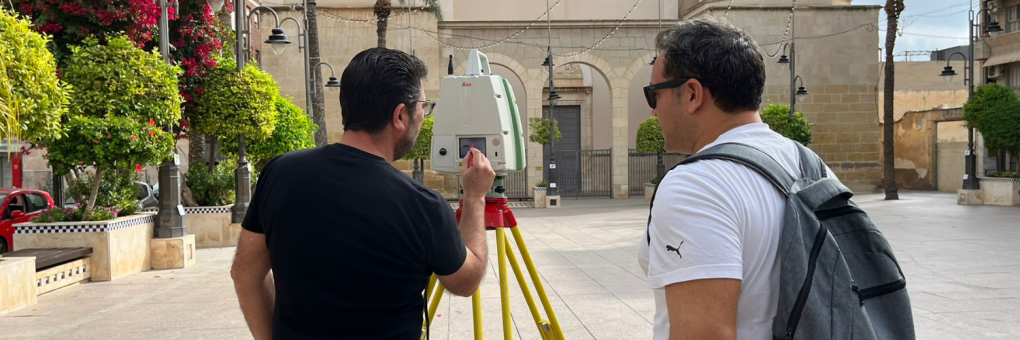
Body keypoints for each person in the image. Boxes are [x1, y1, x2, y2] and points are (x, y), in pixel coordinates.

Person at [231, 47, 496, 339]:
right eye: (423, 106)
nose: (423, 116)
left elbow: (244, 275)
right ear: (400, 116)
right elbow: (466, 280)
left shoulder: (279, 173)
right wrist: (474, 198)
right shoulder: (423, 206)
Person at [637, 16, 837, 340]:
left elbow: (706, 334)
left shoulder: (696, 185)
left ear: (691, 94)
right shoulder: (810, 165)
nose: (653, 111)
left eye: (653, 95)